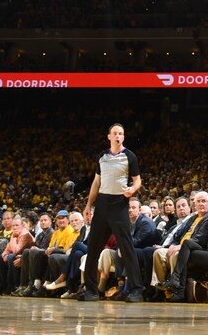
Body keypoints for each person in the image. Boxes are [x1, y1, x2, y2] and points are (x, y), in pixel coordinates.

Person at [82, 123, 144, 302]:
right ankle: (91, 290)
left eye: (121, 134)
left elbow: (138, 180)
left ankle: (136, 290)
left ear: (123, 137)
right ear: (108, 136)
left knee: (127, 248)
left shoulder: (129, 156)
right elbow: (96, 182)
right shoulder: (102, 156)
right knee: (93, 248)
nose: (118, 136)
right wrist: (88, 205)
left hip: (119, 204)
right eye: (115, 133)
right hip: (102, 204)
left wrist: (132, 190)